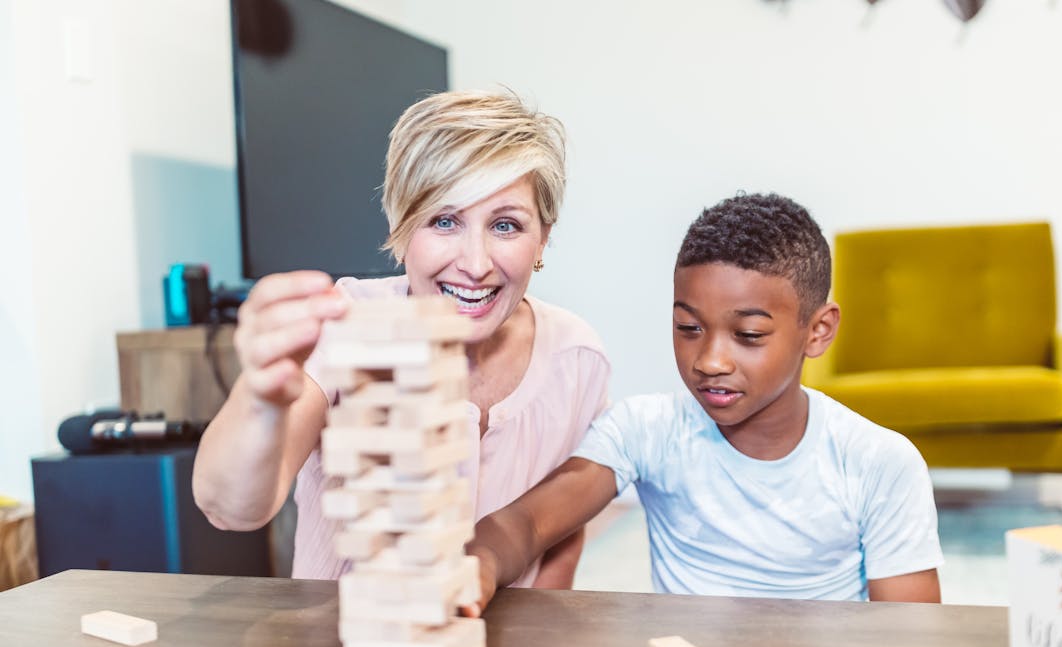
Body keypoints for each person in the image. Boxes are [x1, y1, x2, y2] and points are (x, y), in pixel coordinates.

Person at [193, 90, 610, 587]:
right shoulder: (345, 328)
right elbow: (231, 510)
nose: (475, 265)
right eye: (444, 220)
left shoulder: (577, 358)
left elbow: (563, 530)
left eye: (505, 225)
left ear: (542, 237)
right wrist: (259, 399)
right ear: (399, 222)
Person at [466, 193, 943, 612]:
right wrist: (482, 562)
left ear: (818, 330)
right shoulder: (646, 429)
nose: (710, 360)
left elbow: (911, 637)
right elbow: (526, 523)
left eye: (749, 335)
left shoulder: (880, 462)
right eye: (689, 328)